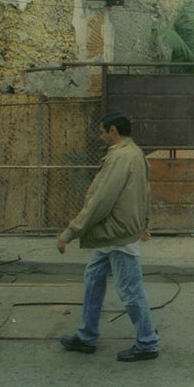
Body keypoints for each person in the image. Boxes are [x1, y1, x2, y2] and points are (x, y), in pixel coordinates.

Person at [57, 111, 160, 362]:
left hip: (116, 234)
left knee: (130, 290)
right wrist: (143, 223)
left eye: (102, 131)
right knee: (93, 279)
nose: (101, 136)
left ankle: (147, 342)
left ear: (113, 130)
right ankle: (87, 336)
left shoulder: (121, 157)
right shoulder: (135, 152)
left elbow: (101, 200)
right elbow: (145, 192)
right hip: (115, 232)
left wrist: (70, 232)